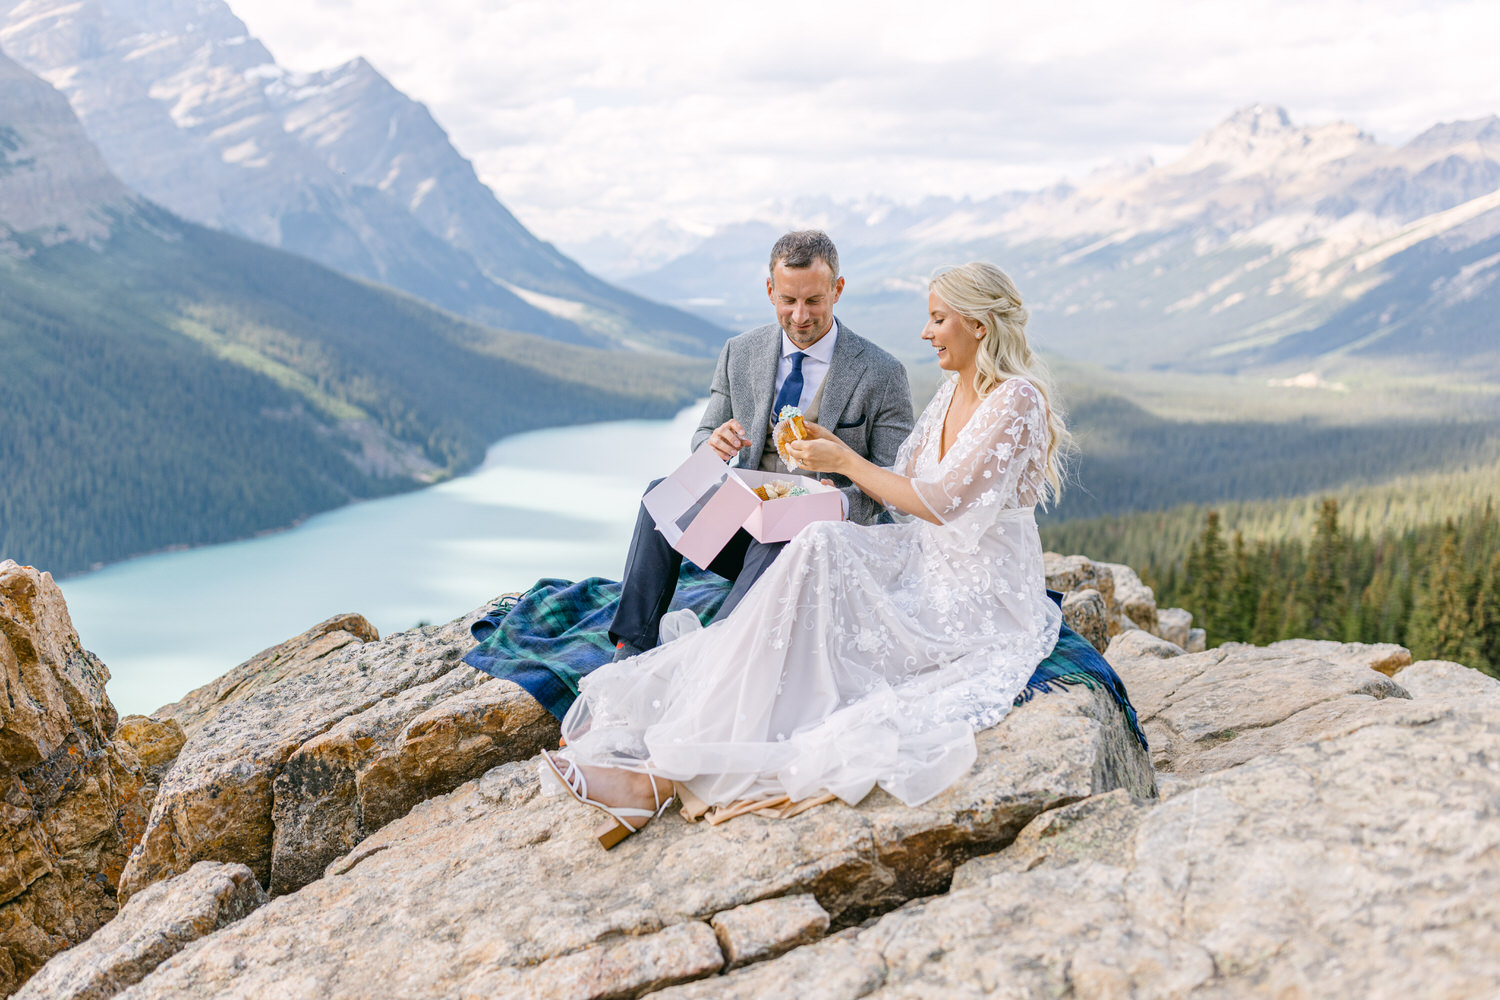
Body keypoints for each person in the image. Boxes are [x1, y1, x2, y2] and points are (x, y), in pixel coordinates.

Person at [544, 261, 1072, 848]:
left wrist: (842, 465)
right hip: (905, 549)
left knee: (813, 549)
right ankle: (656, 682)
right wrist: (792, 463)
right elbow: (900, 474)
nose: (926, 332)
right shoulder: (949, 389)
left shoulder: (1015, 399)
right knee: (764, 530)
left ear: (977, 324)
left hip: (979, 587)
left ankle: (657, 782)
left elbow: (941, 501)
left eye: (937, 319)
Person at [608, 230, 914, 660]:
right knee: (661, 494)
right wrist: (713, 444)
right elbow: (703, 434)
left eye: (814, 301)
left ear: (837, 290)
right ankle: (631, 646)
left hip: (823, 538)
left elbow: (893, 481)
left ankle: (713, 656)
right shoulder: (740, 351)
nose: (800, 315)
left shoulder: (883, 373)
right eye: (788, 300)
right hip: (743, 523)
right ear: (770, 290)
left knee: (784, 531)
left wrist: (835, 501)